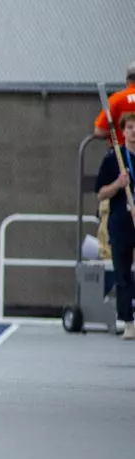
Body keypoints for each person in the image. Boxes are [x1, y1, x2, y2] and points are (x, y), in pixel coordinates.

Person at [96, 112, 135, 340]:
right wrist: (118, 184)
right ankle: (127, 321)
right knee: (122, 274)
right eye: (129, 127)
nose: (134, 131)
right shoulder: (115, 159)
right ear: (123, 131)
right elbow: (101, 193)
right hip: (121, 222)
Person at [92, 62, 135, 150]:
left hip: (122, 155)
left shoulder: (116, 99)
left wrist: (118, 132)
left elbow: (100, 131)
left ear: (127, 80)